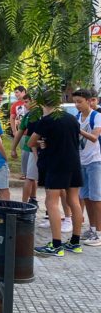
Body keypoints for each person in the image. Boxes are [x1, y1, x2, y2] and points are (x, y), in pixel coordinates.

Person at [29, 90, 84, 257]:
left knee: (51, 202)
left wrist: (42, 143)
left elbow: (31, 141)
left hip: (56, 164)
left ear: (42, 103)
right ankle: (75, 242)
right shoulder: (71, 118)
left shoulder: (46, 120)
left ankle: (56, 244)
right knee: (74, 200)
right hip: (74, 162)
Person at [73, 89, 101, 246]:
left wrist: (78, 129)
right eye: (75, 102)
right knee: (86, 197)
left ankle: (99, 233)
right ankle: (92, 228)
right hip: (81, 161)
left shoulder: (97, 117)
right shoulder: (77, 117)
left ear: (89, 101)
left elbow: (94, 137)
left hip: (95, 161)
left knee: (96, 198)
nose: (77, 105)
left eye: (80, 101)